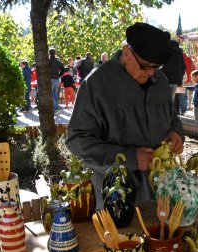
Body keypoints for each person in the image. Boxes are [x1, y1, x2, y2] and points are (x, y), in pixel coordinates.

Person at [66, 22, 184, 208]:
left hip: (160, 191)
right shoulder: (97, 85)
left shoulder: (160, 80)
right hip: (117, 194)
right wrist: (130, 158)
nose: (151, 72)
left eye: (156, 67)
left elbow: (172, 117)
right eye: (145, 66)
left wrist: (175, 132)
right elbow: (76, 140)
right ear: (126, 51)